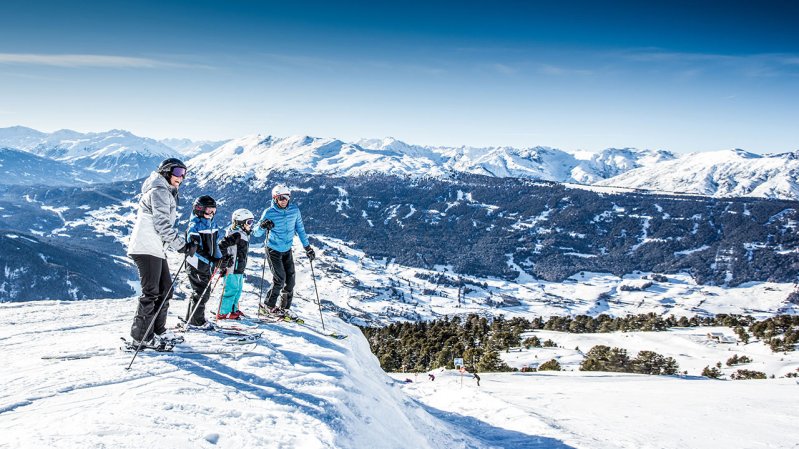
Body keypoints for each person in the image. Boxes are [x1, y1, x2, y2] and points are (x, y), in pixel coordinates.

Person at [127, 158, 196, 345]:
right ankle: (140, 338)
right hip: (146, 247)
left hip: (155, 248)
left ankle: (158, 331)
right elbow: (162, 224)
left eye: (184, 173)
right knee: (151, 292)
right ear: (166, 172)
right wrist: (181, 245)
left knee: (165, 290)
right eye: (177, 172)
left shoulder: (164, 191)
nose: (181, 177)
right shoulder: (159, 191)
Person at [253, 184, 315, 318]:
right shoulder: (269, 212)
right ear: (275, 198)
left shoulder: (294, 210)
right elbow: (256, 233)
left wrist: (308, 248)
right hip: (273, 249)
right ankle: (268, 306)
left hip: (287, 249)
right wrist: (263, 226)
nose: (284, 200)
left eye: (286, 197)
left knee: (291, 281)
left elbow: (300, 229)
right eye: (280, 197)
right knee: (280, 279)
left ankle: (284, 308)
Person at [184, 195, 223, 327]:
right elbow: (195, 251)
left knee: (200, 293)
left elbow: (215, 244)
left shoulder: (212, 224)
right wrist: (211, 260)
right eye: (208, 211)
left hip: (206, 266)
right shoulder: (194, 226)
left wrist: (219, 258)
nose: (212, 214)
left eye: (214, 211)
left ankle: (191, 318)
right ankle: (197, 321)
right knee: (202, 294)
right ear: (199, 209)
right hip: (196, 265)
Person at [216, 208, 254, 319]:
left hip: (239, 268)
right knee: (231, 290)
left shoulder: (243, 234)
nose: (250, 225)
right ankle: (223, 312)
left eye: (252, 222)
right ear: (240, 222)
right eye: (249, 222)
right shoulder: (235, 234)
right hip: (232, 268)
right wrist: (225, 259)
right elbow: (221, 245)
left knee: (237, 290)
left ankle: (233, 310)